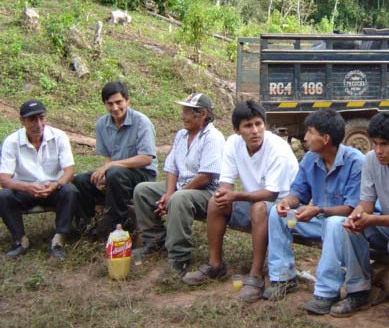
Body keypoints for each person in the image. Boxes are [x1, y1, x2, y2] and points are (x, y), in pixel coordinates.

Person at [306, 112, 389, 328]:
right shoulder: (371, 160)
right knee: (346, 226)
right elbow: (366, 203)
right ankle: (358, 291)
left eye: (384, 145)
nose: (378, 150)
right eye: (374, 143)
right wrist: (357, 216)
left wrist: (372, 219)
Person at [182, 100, 298, 303]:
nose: (255, 131)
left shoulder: (277, 149)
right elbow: (225, 183)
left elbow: (271, 194)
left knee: (259, 208)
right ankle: (215, 265)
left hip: (285, 210)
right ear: (237, 130)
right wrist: (223, 195)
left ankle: (255, 275)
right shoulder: (233, 144)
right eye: (248, 126)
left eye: (258, 124)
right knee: (215, 203)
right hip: (256, 202)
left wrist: (235, 196)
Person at [264, 109, 364, 301]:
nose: (306, 138)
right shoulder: (311, 158)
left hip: (345, 226)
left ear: (325, 138)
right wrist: (286, 202)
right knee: (277, 214)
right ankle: (283, 278)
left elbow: (352, 209)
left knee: (334, 223)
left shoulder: (356, 162)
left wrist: (318, 210)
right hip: (318, 221)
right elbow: (298, 194)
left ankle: (327, 291)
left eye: (310, 132)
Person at [132, 93, 225, 279]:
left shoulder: (213, 137)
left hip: (207, 193)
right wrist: (168, 193)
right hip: (182, 187)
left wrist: (175, 194)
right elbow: (172, 167)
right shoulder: (181, 135)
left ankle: (178, 257)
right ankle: (155, 240)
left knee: (179, 199)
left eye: (187, 112)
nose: (183, 116)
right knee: (143, 191)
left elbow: (205, 177)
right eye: (183, 111)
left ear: (203, 114)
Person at [74, 81, 157, 237]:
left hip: (142, 174)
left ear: (127, 101)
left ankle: (116, 223)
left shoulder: (141, 122)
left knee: (115, 173)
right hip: (116, 173)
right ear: (104, 104)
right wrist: (104, 175)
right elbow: (108, 156)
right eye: (110, 104)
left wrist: (111, 167)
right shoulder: (101, 124)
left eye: (119, 102)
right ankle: (87, 224)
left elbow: (146, 158)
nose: (115, 108)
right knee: (82, 180)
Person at [0, 100, 79, 259]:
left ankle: (59, 240)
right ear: (22, 121)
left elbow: (69, 171)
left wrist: (56, 183)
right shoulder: (11, 142)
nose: (38, 124)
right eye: (32, 120)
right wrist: (26, 187)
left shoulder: (58, 136)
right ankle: (20, 240)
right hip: (24, 190)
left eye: (41, 118)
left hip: (53, 188)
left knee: (69, 190)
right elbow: (4, 180)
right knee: (3, 196)